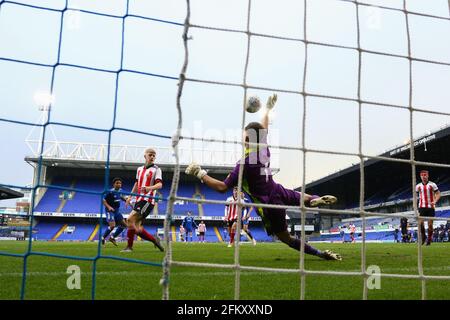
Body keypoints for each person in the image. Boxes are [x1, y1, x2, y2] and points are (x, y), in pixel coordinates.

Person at [185, 93, 341, 260]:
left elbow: (222, 187)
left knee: (286, 238)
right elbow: (263, 128)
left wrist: (200, 173)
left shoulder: (243, 164)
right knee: (307, 199)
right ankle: (314, 200)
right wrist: (267, 109)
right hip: (278, 190)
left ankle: (321, 254)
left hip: (269, 204)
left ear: (246, 138)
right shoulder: (264, 148)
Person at [121, 148, 164, 252]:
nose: (152, 157)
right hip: (139, 199)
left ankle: (129, 247)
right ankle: (154, 240)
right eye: (150, 155)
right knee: (136, 227)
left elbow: (160, 184)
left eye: (154, 155)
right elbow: (136, 184)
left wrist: (149, 188)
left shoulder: (156, 169)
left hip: (148, 200)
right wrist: (130, 197)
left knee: (130, 220)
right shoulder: (139, 169)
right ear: (145, 156)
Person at [416, 170, 440, 246]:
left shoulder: (432, 184)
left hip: (430, 207)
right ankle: (423, 237)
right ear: (420, 176)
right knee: (420, 224)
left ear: (428, 176)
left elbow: (438, 194)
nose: (424, 176)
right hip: (421, 207)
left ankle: (429, 239)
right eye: (422, 175)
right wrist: (416, 207)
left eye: (425, 175)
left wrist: (435, 201)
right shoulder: (418, 186)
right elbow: (416, 197)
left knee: (430, 225)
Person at [101, 177, 128, 246]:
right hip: (110, 211)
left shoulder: (121, 190)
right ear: (113, 184)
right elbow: (103, 200)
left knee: (124, 225)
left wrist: (125, 200)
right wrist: (109, 207)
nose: (119, 184)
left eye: (120, 183)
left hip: (117, 211)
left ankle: (112, 238)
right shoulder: (110, 192)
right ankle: (103, 238)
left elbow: (120, 196)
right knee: (112, 226)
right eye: (117, 183)